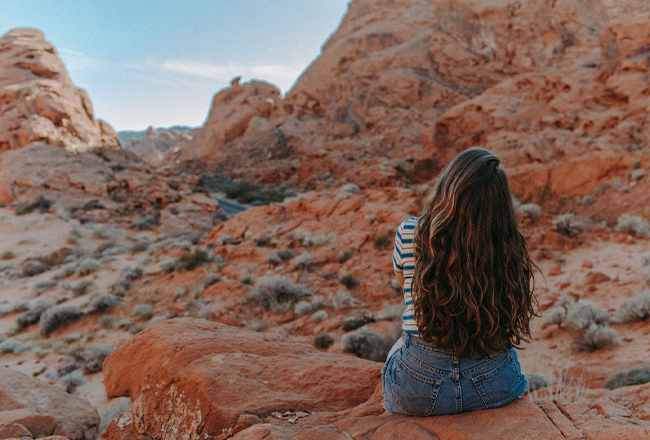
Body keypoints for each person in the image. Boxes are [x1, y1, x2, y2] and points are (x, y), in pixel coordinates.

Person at [381, 147, 540, 416]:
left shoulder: (410, 232)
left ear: (447, 187)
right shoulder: (507, 243)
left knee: (398, 346)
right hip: (493, 383)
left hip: (418, 387)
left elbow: (406, 287)